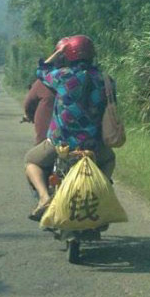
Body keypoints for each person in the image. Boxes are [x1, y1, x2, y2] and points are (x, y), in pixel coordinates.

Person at [24, 35, 116, 221]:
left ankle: (44, 198)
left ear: (67, 55)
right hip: (94, 145)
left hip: (61, 144)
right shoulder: (106, 80)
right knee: (109, 159)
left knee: (31, 161)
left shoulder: (62, 77)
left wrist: (58, 53)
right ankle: (102, 191)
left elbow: (41, 70)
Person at [23, 79, 55, 145]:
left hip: (48, 138)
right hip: (78, 140)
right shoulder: (79, 81)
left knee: (30, 155)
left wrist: (30, 116)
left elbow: (28, 104)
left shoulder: (43, 82)